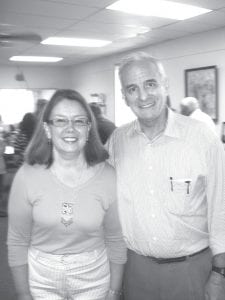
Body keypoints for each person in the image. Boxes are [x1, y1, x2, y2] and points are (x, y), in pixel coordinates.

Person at [106, 52, 225, 300]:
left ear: (165, 85)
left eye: (150, 84)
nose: (143, 96)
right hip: (135, 271)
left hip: (192, 271)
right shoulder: (117, 141)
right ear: (124, 97)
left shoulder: (201, 137)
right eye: (132, 88)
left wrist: (219, 274)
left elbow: (221, 210)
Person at [7, 89, 126, 300]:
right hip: (41, 277)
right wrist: (23, 293)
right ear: (47, 128)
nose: (70, 128)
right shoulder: (26, 176)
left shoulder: (108, 176)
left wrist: (114, 291)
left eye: (79, 121)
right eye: (60, 121)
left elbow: (115, 239)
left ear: (89, 129)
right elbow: (17, 241)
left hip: (93, 275)